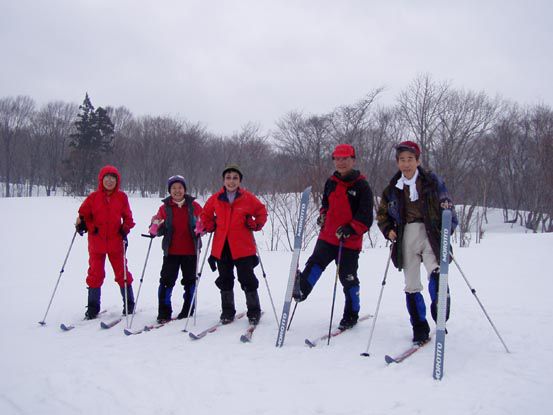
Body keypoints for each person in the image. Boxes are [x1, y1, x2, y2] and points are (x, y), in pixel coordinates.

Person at [376, 140, 458, 344]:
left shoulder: (431, 182)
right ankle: (419, 326)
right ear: (397, 163)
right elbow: (382, 215)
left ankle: (440, 307)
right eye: (402, 160)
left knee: (437, 271)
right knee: (411, 284)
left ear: (418, 160)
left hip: (430, 233)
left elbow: (448, 208)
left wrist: (447, 228)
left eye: (410, 159)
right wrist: (388, 230)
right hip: (406, 236)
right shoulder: (392, 189)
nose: (406, 164)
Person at [293, 144, 374, 330]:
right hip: (328, 236)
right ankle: (301, 290)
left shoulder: (362, 186)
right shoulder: (331, 182)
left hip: (349, 242)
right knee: (315, 263)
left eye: (345, 158)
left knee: (348, 278)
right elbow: (325, 204)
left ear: (353, 160)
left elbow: (366, 217)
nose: (341, 162)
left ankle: (351, 314)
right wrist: (323, 215)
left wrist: (351, 228)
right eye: (338, 158)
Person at [199, 164, 267, 325]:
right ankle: (228, 311)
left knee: (247, 278)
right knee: (225, 278)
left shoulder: (248, 198)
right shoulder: (216, 198)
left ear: (240, 181)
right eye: (228, 178)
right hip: (222, 246)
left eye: (235, 178)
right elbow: (205, 214)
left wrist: (255, 224)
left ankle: (254, 310)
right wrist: (210, 225)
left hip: (243, 246)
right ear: (223, 180)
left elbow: (261, 212)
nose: (231, 181)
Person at [75, 165, 135, 319]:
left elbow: (128, 218)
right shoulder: (93, 198)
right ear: (101, 180)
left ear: (117, 181)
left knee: (122, 273)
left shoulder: (122, 197)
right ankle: (93, 307)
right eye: (106, 178)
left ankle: (129, 304)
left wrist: (125, 228)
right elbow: (83, 215)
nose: (109, 181)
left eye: (113, 178)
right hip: (97, 243)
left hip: (116, 242)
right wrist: (87, 226)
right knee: (95, 274)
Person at [149, 175, 203, 323]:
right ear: (169, 190)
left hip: (191, 251)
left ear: (185, 189)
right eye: (173, 188)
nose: (177, 191)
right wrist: (154, 227)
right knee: (166, 281)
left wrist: (201, 227)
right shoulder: (165, 207)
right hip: (171, 251)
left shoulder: (194, 206)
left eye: (180, 188)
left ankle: (188, 308)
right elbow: (157, 225)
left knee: (190, 281)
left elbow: (204, 221)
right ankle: (164, 311)